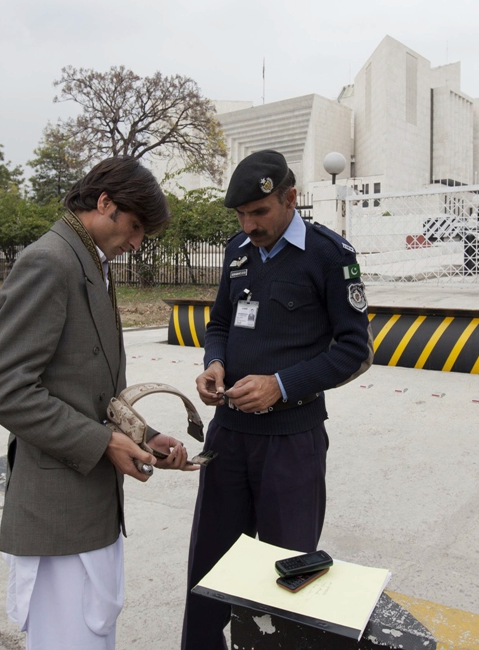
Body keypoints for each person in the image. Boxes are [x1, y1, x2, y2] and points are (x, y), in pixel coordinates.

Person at [0, 157, 196, 650]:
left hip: (91, 503)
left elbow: (89, 387)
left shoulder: (89, 262)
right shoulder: (50, 261)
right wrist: (101, 442)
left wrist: (143, 435)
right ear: (104, 203)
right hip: (59, 513)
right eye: (135, 227)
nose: (137, 243)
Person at [181, 149, 372, 649]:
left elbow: (355, 351)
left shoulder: (331, 256)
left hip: (291, 440)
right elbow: (220, 323)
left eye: (259, 212)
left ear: (290, 198)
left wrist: (281, 384)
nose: (249, 224)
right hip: (228, 437)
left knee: (288, 575)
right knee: (209, 568)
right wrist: (213, 363)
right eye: (241, 215)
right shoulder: (237, 250)